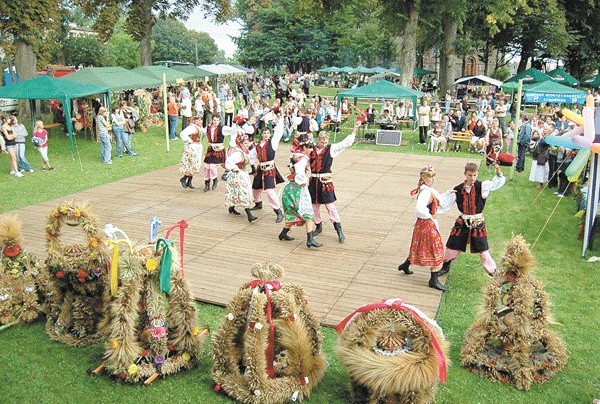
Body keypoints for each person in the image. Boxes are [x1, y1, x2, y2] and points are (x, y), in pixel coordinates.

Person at [438, 162, 506, 278]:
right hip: (463, 222)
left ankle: (492, 271)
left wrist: (498, 171)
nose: (472, 178)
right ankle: (445, 265)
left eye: (474, 175)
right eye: (470, 175)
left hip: (477, 222)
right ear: (465, 174)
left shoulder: (482, 186)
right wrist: (442, 196)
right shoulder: (458, 189)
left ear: (477, 174)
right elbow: (443, 203)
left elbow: (496, 183)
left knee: (483, 248)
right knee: (452, 245)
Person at [397, 165, 453, 290]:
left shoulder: (428, 190)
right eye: (429, 177)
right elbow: (419, 208)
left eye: (433, 177)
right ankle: (433, 280)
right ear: (423, 177)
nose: (432, 179)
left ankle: (405, 265)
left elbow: (438, 201)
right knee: (437, 249)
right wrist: (429, 217)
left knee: (418, 246)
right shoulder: (426, 192)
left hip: (422, 224)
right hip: (427, 224)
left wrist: (448, 193)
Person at [309, 122, 359, 242]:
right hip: (314, 181)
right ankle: (318, 225)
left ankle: (338, 229)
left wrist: (354, 130)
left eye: (326, 142)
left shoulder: (331, 149)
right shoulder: (311, 149)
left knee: (330, 206)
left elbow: (344, 144)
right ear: (318, 140)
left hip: (325, 181)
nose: (324, 144)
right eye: (322, 142)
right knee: (314, 206)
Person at [279, 135, 322, 248]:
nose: (310, 150)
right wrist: (303, 181)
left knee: (293, 212)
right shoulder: (302, 159)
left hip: (290, 188)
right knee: (307, 213)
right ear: (304, 148)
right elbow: (299, 173)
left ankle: (283, 233)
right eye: (309, 148)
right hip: (298, 189)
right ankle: (310, 239)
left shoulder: (295, 156)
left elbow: (293, 169)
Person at [250, 119, 286, 223]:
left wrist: (281, 118)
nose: (266, 135)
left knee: (270, 190)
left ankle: (278, 211)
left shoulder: (273, 143)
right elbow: (251, 157)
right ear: (261, 134)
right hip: (260, 169)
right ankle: (258, 203)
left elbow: (279, 132)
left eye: (267, 133)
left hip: (269, 169)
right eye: (264, 133)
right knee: (256, 188)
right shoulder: (257, 146)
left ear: (270, 134)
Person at [224, 132, 258, 222]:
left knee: (237, 192)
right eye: (245, 143)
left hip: (243, 174)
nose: (247, 145)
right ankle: (249, 215)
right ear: (241, 144)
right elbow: (228, 161)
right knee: (243, 192)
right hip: (237, 175)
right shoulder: (238, 154)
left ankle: (231, 207)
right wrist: (235, 168)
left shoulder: (245, 153)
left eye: (248, 143)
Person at [179, 117, 205, 189]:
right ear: (194, 120)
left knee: (196, 164)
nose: (200, 121)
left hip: (198, 146)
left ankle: (189, 181)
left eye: (201, 120)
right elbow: (183, 134)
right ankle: (184, 178)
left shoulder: (200, 128)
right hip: (192, 147)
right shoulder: (192, 128)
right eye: (198, 120)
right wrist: (189, 140)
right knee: (192, 163)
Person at [203, 116, 225, 191]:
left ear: (219, 121)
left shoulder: (222, 128)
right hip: (211, 149)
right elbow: (202, 132)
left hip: (218, 149)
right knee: (207, 167)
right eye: (214, 120)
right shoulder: (209, 128)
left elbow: (232, 130)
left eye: (217, 120)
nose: (215, 121)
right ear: (212, 120)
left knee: (212, 166)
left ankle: (215, 179)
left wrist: (236, 125)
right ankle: (207, 183)